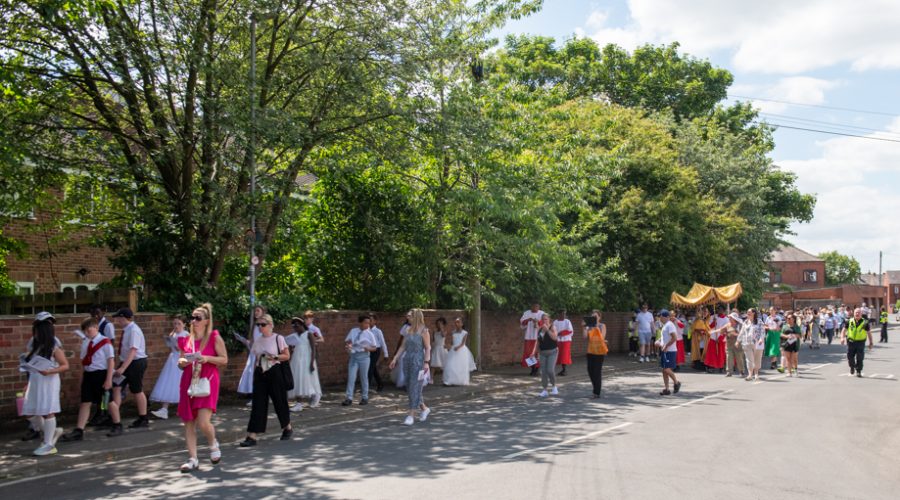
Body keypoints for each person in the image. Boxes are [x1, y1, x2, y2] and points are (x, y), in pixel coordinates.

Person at [177, 304, 227, 472]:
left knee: (203, 422)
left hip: (207, 381)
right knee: (189, 423)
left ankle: (213, 444)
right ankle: (193, 459)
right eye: (192, 317)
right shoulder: (186, 340)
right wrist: (183, 362)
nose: (194, 321)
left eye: (198, 318)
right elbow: (181, 362)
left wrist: (206, 358)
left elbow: (224, 359)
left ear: (206, 321)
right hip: (189, 382)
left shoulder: (214, 337)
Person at [240, 314, 293, 447]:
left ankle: (287, 427)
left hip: (275, 372)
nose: (260, 327)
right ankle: (252, 436)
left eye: (263, 324)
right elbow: (255, 358)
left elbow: (286, 356)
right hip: (261, 373)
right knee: (258, 404)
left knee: (279, 401)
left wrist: (274, 356)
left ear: (270, 325)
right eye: (258, 325)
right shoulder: (258, 341)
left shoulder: (278, 338)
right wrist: (255, 373)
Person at [21, 312, 69, 456]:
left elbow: (65, 365)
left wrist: (50, 371)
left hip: (49, 380)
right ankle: (52, 431)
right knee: (29, 412)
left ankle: (48, 444)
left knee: (48, 411)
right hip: (35, 379)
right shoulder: (32, 342)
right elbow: (29, 362)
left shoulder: (54, 344)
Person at [61, 317, 115, 443]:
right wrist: (81, 377)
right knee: (85, 402)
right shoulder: (86, 342)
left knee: (109, 401)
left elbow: (110, 361)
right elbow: (83, 362)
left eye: (88, 330)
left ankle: (117, 424)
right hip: (89, 375)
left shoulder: (105, 341)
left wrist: (108, 379)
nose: (86, 333)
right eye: (84, 331)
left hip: (101, 374)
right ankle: (79, 430)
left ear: (96, 328)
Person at [107, 308, 149, 436]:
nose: (117, 320)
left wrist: (122, 368)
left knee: (137, 390)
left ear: (123, 317)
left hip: (135, 363)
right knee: (116, 386)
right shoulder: (128, 330)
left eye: (118, 318)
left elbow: (133, 351)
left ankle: (143, 418)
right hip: (126, 362)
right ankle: (114, 415)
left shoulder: (134, 330)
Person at [389, 309, 432, 425]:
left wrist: (426, 362)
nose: (407, 317)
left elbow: (428, 347)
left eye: (409, 316)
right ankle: (424, 408)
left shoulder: (424, 330)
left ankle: (411, 415)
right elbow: (403, 346)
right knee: (410, 386)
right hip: (407, 360)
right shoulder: (407, 329)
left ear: (416, 316)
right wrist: (395, 358)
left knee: (414, 386)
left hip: (419, 361)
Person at [150, 315, 190, 419]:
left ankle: (186, 408)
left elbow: (185, 350)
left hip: (181, 361)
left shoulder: (185, 334)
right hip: (172, 360)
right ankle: (164, 409)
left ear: (184, 324)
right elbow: (172, 347)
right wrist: (170, 340)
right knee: (168, 383)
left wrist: (176, 345)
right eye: (175, 323)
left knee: (181, 384)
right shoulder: (173, 333)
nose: (176, 326)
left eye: (179, 324)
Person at [87, 304, 115, 427]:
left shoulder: (107, 325)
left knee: (105, 393)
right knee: (98, 393)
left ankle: (103, 413)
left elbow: (111, 344)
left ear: (103, 312)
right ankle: (100, 412)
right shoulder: (93, 326)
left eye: (97, 313)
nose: (96, 316)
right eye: (93, 315)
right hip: (95, 364)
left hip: (104, 364)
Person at [288, 317, 323, 412]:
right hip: (296, 360)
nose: (295, 328)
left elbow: (313, 349)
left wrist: (312, 362)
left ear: (302, 325)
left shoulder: (309, 334)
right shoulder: (294, 336)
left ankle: (315, 394)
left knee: (308, 379)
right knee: (297, 379)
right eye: (293, 326)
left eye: (297, 325)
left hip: (307, 360)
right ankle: (299, 403)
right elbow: (291, 348)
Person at [342, 314, 377, 406]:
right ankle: (349, 398)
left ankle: (365, 397)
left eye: (369, 323)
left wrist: (368, 348)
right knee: (351, 377)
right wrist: (348, 345)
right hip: (354, 356)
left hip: (364, 357)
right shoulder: (353, 331)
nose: (367, 325)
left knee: (363, 377)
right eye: (365, 323)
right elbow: (348, 341)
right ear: (360, 323)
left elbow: (375, 348)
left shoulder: (370, 334)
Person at [237, 305, 267, 403]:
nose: (256, 313)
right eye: (255, 311)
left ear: (263, 312)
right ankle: (255, 397)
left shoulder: (264, 324)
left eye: (258, 311)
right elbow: (253, 341)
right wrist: (244, 341)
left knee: (261, 375)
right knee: (252, 374)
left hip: (262, 353)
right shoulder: (254, 325)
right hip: (254, 353)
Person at [530, 313, 559, 397]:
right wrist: (533, 352)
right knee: (543, 372)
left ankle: (554, 386)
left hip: (552, 352)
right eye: (543, 319)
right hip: (542, 353)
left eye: (546, 319)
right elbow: (537, 342)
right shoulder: (540, 329)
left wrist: (548, 331)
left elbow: (555, 338)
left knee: (550, 370)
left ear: (549, 320)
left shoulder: (552, 327)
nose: (544, 321)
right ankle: (545, 390)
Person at [442, 317, 476, 386]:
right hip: (453, 350)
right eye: (455, 322)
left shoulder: (465, 333)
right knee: (450, 364)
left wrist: (458, 347)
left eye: (458, 322)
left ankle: (460, 381)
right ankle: (449, 380)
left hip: (461, 350)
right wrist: (448, 346)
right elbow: (452, 342)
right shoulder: (453, 332)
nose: (456, 323)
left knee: (460, 366)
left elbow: (463, 343)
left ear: (462, 324)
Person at [583, 310, 608, 398]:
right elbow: (585, 337)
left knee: (597, 372)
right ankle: (595, 387)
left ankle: (596, 392)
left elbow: (602, 338)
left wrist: (595, 328)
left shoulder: (602, 326)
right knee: (590, 371)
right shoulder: (589, 326)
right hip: (590, 351)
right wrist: (585, 327)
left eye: (595, 316)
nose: (594, 318)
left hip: (599, 351)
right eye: (592, 316)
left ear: (599, 317)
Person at [842, 308, 874, 377]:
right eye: (856, 312)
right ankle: (852, 367)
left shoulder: (865, 322)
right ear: (853, 313)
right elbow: (843, 330)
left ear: (861, 314)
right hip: (851, 342)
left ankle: (859, 370)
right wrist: (842, 338)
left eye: (859, 313)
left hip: (860, 342)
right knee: (850, 356)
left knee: (860, 357)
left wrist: (871, 342)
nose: (857, 314)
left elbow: (869, 333)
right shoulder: (849, 321)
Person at [656, 310, 681, 396]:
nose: (660, 318)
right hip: (665, 350)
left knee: (667, 369)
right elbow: (665, 337)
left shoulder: (670, 325)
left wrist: (666, 346)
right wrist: (659, 341)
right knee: (664, 370)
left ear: (666, 317)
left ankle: (676, 382)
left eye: (661, 316)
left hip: (670, 350)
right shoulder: (665, 325)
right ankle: (666, 389)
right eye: (660, 316)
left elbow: (674, 338)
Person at [738, 309, 764, 381]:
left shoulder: (759, 321)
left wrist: (761, 339)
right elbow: (742, 332)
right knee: (749, 359)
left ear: (754, 313)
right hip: (747, 343)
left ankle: (756, 374)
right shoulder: (745, 322)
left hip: (757, 343)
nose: (748, 313)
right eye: (747, 312)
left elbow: (762, 330)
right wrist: (738, 340)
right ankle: (750, 375)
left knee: (757, 358)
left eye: (749, 312)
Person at [520, 302, 544, 375]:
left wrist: (538, 322)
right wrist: (528, 320)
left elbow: (545, 323)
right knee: (529, 353)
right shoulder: (527, 313)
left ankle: (536, 369)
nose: (535, 308)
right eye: (533, 306)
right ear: (531, 306)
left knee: (537, 353)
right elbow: (522, 323)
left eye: (537, 306)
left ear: (539, 307)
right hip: (529, 336)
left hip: (538, 336)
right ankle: (532, 368)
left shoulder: (542, 313)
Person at [368, 313, 389, 393]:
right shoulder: (366, 330)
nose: (369, 322)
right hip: (369, 350)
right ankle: (380, 383)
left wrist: (386, 354)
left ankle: (366, 387)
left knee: (370, 368)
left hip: (376, 351)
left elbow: (383, 342)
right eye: (369, 320)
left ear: (375, 321)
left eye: (371, 320)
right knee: (373, 369)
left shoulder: (378, 331)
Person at [391, 312, 411, 388]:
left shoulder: (421, 328)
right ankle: (406, 383)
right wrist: (396, 352)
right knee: (404, 366)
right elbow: (401, 340)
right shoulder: (405, 327)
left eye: (409, 316)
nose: (408, 317)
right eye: (407, 316)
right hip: (405, 350)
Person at [724, 312, 746, 377]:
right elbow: (724, 331)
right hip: (729, 343)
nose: (729, 319)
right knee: (729, 357)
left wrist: (734, 334)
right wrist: (723, 332)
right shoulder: (727, 325)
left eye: (731, 318)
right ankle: (729, 372)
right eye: (729, 318)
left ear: (734, 319)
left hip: (738, 344)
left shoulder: (740, 325)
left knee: (739, 358)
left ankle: (742, 371)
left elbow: (742, 334)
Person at [552, 310, 574, 376]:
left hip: (566, 340)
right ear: (558, 314)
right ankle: (561, 370)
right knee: (559, 355)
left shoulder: (567, 321)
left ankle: (564, 370)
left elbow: (570, 330)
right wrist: (555, 334)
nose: (563, 315)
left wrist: (561, 333)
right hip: (558, 340)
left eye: (564, 314)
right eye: (562, 314)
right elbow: (553, 329)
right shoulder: (555, 322)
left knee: (564, 355)